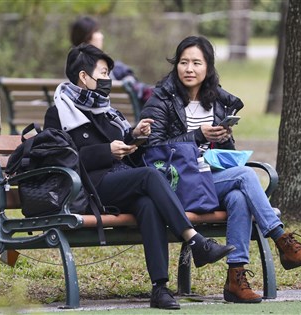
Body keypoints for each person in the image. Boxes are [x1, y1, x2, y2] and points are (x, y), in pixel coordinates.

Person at [43, 43, 236, 310]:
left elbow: (123, 146)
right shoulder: (59, 113)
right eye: (103, 72)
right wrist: (106, 151)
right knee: (147, 177)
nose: (108, 79)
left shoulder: (106, 112)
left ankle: (159, 288)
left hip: (117, 181)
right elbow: (62, 158)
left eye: (109, 73)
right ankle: (195, 240)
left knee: (148, 204)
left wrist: (135, 136)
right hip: (87, 189)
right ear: (83, 77)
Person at [140, 36, 301, 304]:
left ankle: (236, 278)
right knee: (246, 175)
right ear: (176, 65)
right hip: (175, 183)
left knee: (239, 198)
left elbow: (225, 155)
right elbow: (153, 150)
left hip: (208, 180)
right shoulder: (161, 99)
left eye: (196, 63)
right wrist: (197, 135)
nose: (189, 68)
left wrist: (224, 139)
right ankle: (281, 239)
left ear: (208, 68)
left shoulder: (216, 101)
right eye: (183, 62)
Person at [70, 16, 153, 105]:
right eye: (96, 31)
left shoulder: (71, 64)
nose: (101, 36)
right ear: (87, 36)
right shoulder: (95, 66)